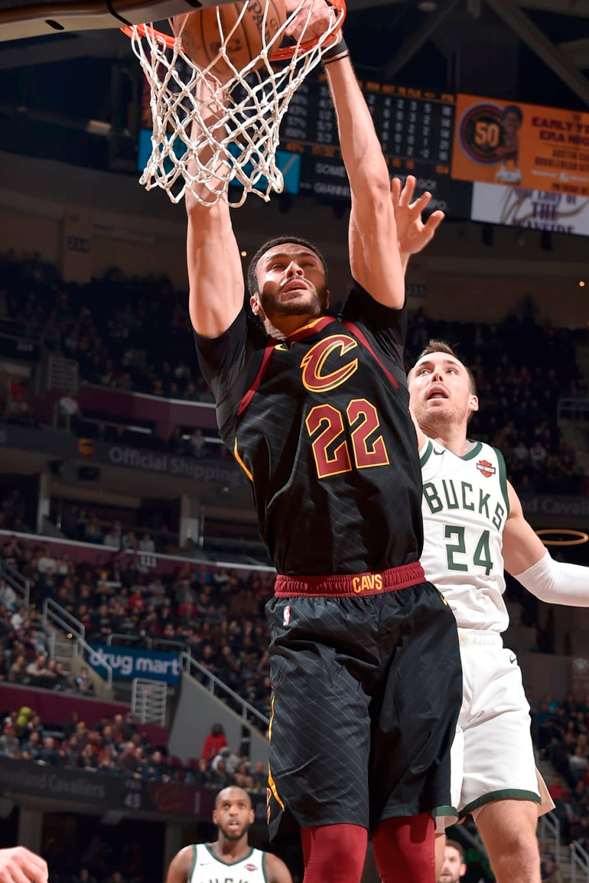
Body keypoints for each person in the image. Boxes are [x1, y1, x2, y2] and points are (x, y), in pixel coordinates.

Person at [187, 18, 461, 883]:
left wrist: (335, 50)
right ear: (255, 294)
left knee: (410, 849)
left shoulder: (372, 332)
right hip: (315, 622)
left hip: (415, 613)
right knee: (337, 849)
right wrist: (210, 82)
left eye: (306, 257)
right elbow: (204, 207)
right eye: (274, 264)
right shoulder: (241, 365)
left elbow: (372, 191)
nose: (294, 264)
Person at [404, 325, 589, 883]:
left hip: (492, 662)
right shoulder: (398, 449)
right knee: (423, 837)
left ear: (473, 399)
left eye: (450, 371)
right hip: (419, 651)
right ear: (404, 397)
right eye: (423, 372)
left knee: (518, 842)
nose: (436, 376)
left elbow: (546, 577)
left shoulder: (494, 470)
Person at [165, 787, 292, 883]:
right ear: (215, 816)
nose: (233, 812)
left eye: (241, 805)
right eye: (226, 806)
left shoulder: (272, 865)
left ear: (251, 815)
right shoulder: (188, 858)